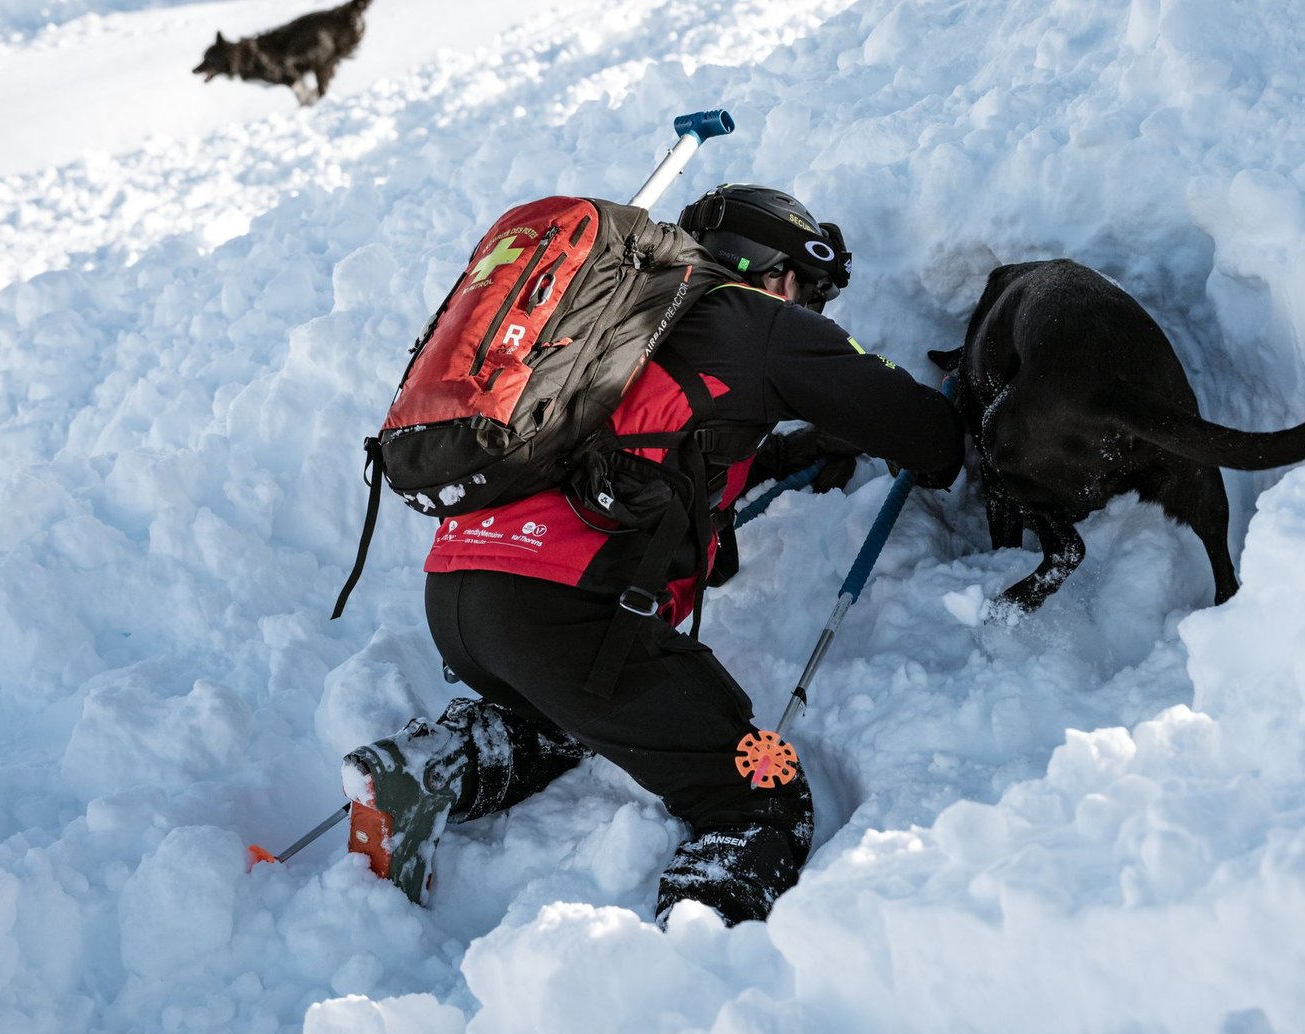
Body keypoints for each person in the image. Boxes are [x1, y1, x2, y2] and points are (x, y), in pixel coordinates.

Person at [343, 183, 964, 926]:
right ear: (781, 271)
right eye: (814, 292)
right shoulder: (759, 319)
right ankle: (694, 947)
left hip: (462, 599)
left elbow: (659, 454)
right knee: (758, 790)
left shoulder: (622, 322)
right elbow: (924, 430)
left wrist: (802, 449)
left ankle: (433, 766)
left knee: (559, 714)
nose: (815, 313)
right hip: (567, 618)